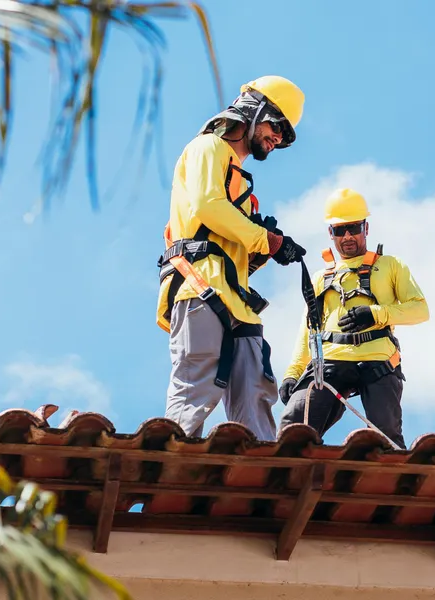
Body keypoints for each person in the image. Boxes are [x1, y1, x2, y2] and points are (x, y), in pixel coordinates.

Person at [156, 75, 308, 441]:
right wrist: (262, 239)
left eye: (284, 137)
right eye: (276, 128)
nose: (277, 140)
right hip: (199, 285)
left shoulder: (240, 185)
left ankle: (261, 484)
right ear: (254, 111)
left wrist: (268, 247)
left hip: (235, 299)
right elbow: (208, 207)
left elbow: (234, 246)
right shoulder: (207, 148)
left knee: (255, 393)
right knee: (196, 386)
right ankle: (167, 469)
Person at [277, 188, 429, 449]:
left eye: (353, 228)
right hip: (331, 360)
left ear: (365, 228)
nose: (347, 236)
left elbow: (420, 310)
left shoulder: (391, 266)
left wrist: (376, 314)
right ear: (331, 233)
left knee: (387, 439)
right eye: (339, 230)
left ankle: (390, 484)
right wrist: (292, 373)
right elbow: (309, 330)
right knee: (294, 426)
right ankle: (290, 480)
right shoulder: (321, 278)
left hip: (378, 361)